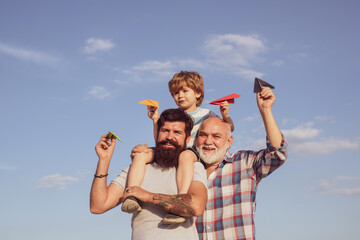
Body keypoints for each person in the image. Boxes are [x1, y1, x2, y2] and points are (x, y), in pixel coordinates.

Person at [123, 71, 235, 223]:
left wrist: (225, 116)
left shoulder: (207, 114)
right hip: (169, 150)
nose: (179, 96)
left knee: (186, 156)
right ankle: (131, 194)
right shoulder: (173, 115)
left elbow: (228, 128)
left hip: (190, 152)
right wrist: (156, 120)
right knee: (141, 154)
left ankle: (181, 200)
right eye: (175, 93)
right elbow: (159, 139)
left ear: (197, 93)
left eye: (184, 91)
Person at [90, 109, 208, 240]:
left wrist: (146, 195)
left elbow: (196, 207)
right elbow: (98, 206)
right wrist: (104, 160)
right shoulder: (137, 168)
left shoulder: (193, 167)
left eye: (177, 132)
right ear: (157, 133)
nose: (169, 137)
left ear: (187, 140)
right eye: (165, 130)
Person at [194, 86, 288, 239]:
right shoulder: (188, 171)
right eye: (203, 135)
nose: (208, 141)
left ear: (229, 141)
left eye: (216, 136)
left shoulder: (245, 163)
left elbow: (278, 153)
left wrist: (265, 110)